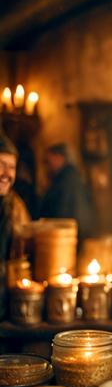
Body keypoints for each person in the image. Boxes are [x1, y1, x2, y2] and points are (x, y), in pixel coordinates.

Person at [0, 130, 30, 319]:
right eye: (2, 165)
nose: (7, 174)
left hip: (5, 309)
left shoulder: (16, 207)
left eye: (12, 167)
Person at [40, 142, 95, 242]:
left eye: (48, 161)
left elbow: (62, 208)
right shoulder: (70, 175)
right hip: (74, 230)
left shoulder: (66, 178)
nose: (47, 166)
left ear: (59, 157)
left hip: (67, 233)